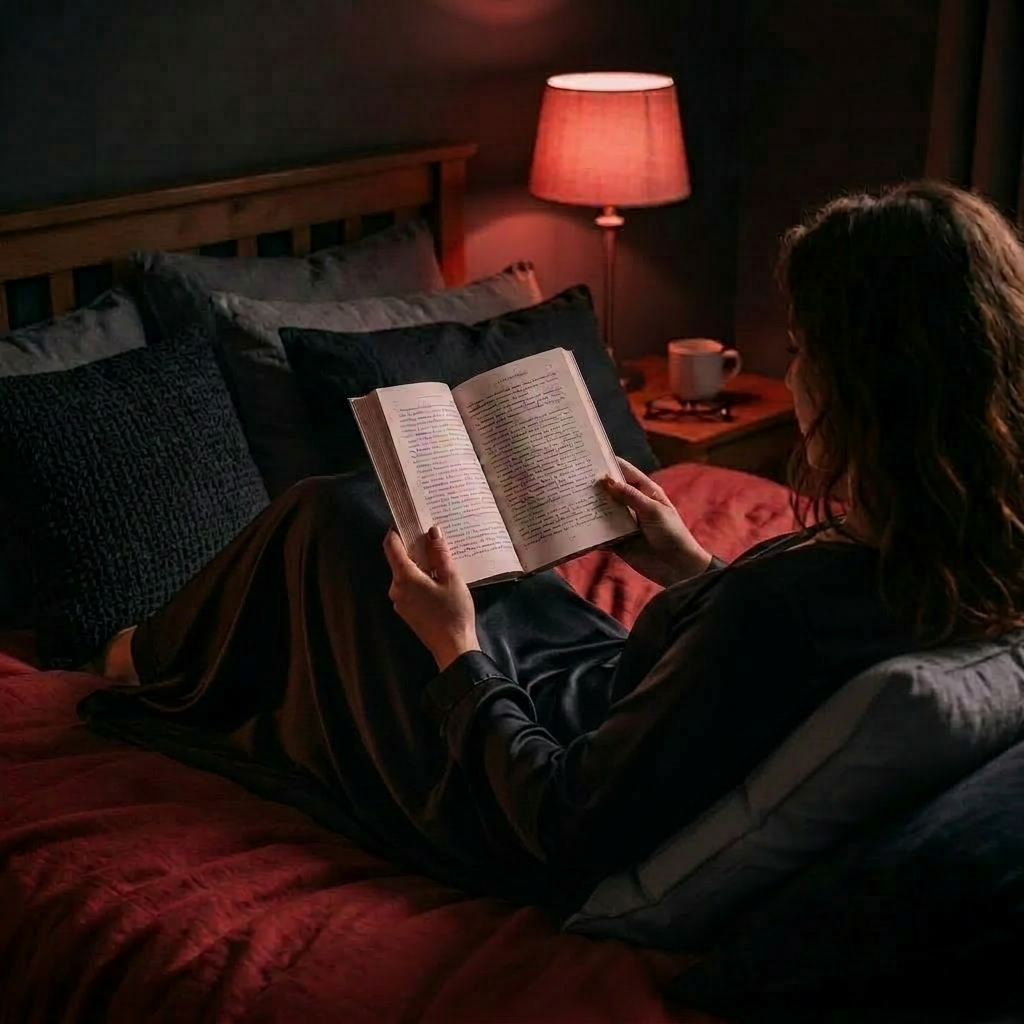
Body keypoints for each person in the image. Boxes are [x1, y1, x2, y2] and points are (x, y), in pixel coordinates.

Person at [81, 180, 1024, 912]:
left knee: (331, 521)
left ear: (872, 385)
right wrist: (686, 567)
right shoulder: (963, 546)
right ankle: (177, 649)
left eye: (806, 348)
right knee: (415, 535)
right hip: (611, 693)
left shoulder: (778, 614)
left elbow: (557, 820)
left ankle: (150, 655)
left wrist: (453, 649)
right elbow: (773, 656)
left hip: (511, 778)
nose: (798, 371)